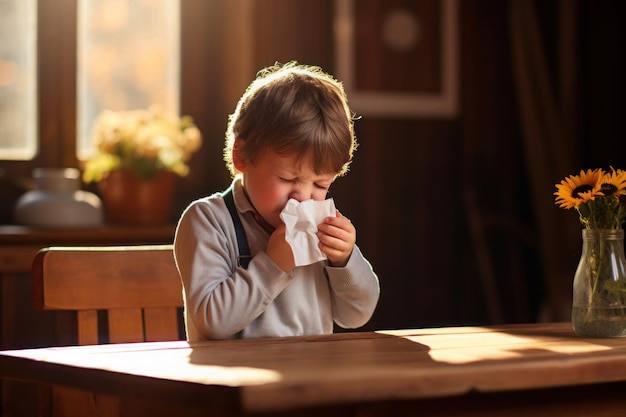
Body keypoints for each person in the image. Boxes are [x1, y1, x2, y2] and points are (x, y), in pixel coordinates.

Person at [174, 62, 380, 340]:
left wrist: (344, 260)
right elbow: (212, 322)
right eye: (287, 179)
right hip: (235, 378)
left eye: (320, 184)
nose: (303, 197)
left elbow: (356, 315)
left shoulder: (319, 229)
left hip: (313, 376)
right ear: (242, 157)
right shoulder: (209, 221)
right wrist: (273, 264)